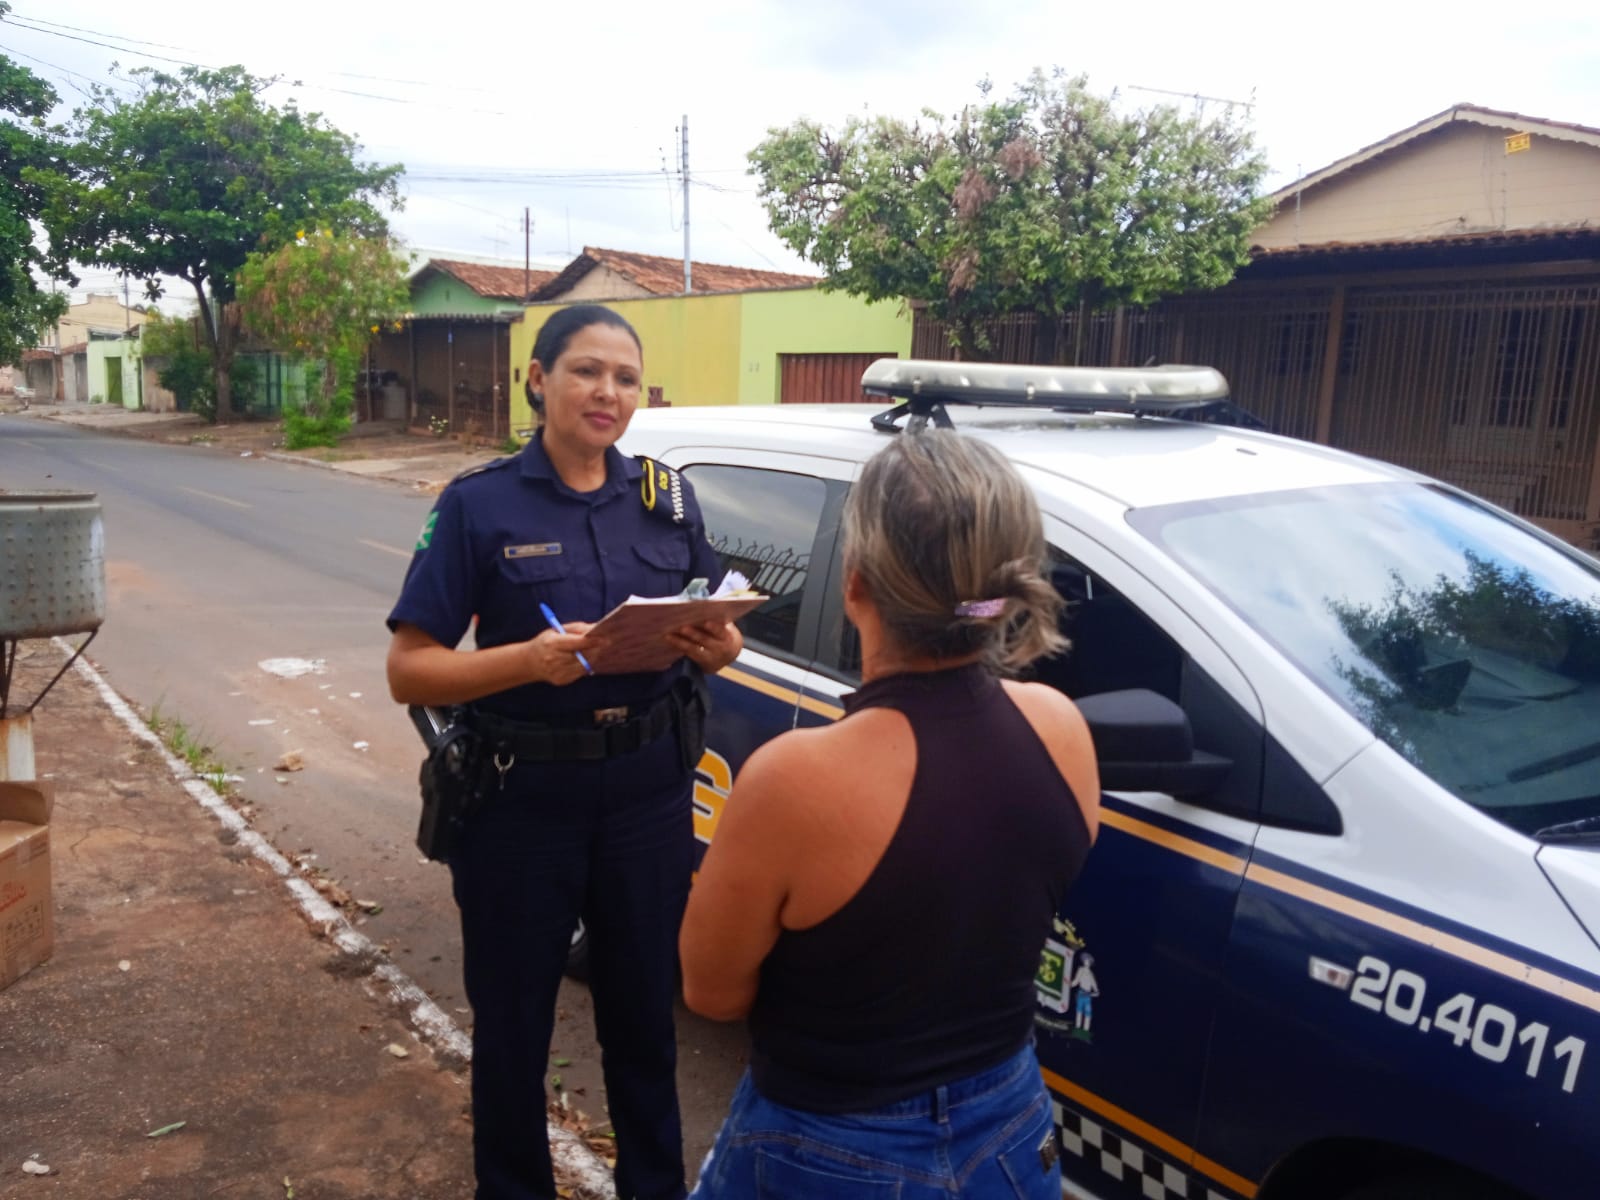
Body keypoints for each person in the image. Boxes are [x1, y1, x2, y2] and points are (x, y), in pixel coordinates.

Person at [680, 430, 1101, 1199]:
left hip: (830, 1144)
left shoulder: (796, 779)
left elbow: (712, 992)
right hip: (1012, 1127)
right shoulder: (1060, 727)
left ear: (855, 583)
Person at [385, 304, 742, 1200]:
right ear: (536, 379)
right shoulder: (478, 505)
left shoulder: (667, 498)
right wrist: (527, 661)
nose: (607, 393)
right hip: (520, 804)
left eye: (625, 378)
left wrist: (721, 646)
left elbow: (712, 616)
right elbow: (409, 670)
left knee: (644, 1029)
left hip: (647, 798)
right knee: (512, 1034)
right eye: (586, 371)